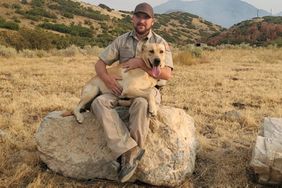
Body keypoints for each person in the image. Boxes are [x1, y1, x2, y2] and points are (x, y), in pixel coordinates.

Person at [91, 2, 173, 183]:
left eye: (146, 17)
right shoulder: (121, 40)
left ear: (153, 21)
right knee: (98, 102)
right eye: (139, 16)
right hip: (120, 89)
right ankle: (129, 150)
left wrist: (141, 64)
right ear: (133, 18)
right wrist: (106, 78)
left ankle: (128, 161)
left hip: (147, 90)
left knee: (142, 103)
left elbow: (167, 74)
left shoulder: (160, 43)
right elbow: (99, 63)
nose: (142, 20)